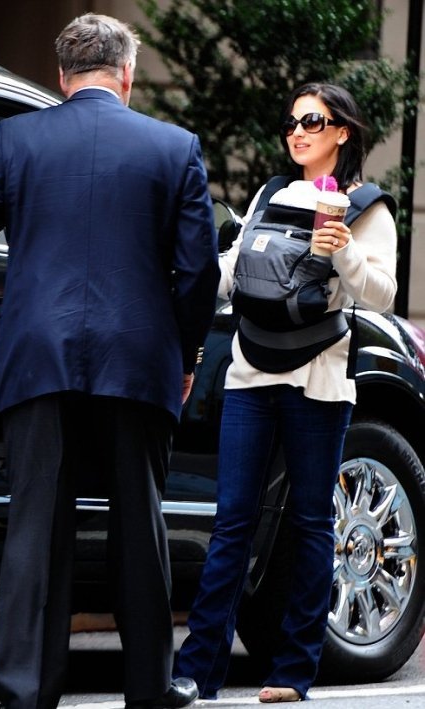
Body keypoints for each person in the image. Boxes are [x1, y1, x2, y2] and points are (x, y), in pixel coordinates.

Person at [0, 13, 220, 709]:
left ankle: (26, 693)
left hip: (38, 361)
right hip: (138, 362)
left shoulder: (15, 140)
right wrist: (183, 354)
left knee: (36, 529)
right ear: (127, 73)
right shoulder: (174, 147)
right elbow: (199, 272)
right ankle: (149, 686)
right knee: (139, 525)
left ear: (61, 77)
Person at [174, 82, 397, 703]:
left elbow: (381, 295)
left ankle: (294, 671)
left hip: (318, 378)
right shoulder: (272, 193)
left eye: (312, 122)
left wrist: (344, 250)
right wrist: (185, 280)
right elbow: (233, 272)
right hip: (250, 372)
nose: (297, 132)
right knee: (232, 523)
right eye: (292, 122)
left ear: (342, 131)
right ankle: (199, 669)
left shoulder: (367, 206)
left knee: (310, 523)